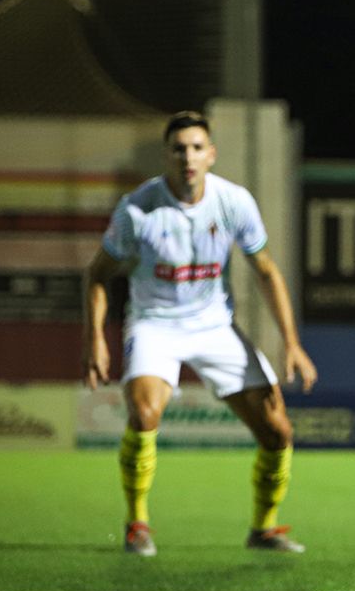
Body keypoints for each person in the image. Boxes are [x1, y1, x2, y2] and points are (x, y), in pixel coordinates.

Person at [83, 111, 318, 557]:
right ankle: (137, 524)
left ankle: (263, 529)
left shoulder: (234, 201)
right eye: (178, 148)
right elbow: (97, 274)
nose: (187, 157)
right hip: (154, 323)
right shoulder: (138, 208)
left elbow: (266, 271)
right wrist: (94, 337)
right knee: (145, 414)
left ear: (211, 154)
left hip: (214, 326)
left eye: (196, 148)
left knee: (277, 430)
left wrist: (291, 343)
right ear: (167, 156)